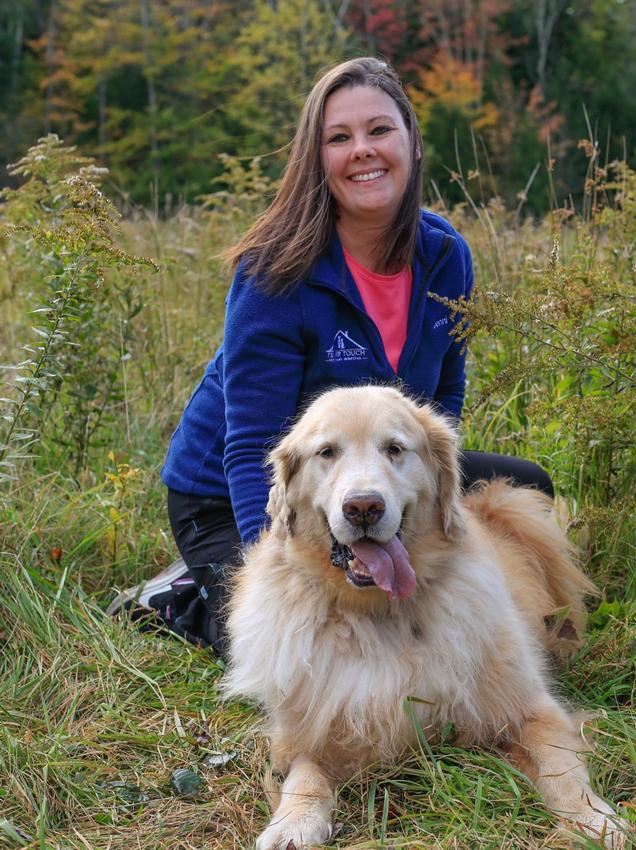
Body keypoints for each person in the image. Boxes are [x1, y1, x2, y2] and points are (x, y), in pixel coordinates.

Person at [110, 57, 553, 656]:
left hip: (376, 472)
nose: (362, 150)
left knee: (530, 484)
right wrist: (276, 568)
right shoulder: (275, 270)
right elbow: (249, 446)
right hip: (232, 491)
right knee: (283, 642)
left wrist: (424, 497)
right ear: (317, 160)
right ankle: (181, 595)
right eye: (338, 138)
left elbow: (441, 401)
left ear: (412, 143)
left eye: (379, 130)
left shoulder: (446, 254)